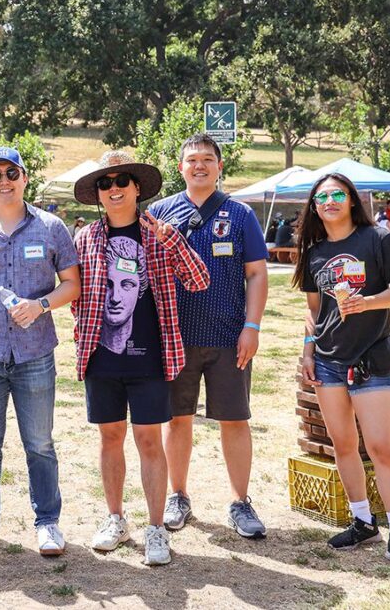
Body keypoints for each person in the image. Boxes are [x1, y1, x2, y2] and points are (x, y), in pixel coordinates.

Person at [69, 151, 209, 566]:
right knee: (109, 438)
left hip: (151, 357)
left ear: (136, 189)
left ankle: (155, 529)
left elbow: (198, 281)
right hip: (101, 358)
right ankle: (115, 519)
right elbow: (76, 293)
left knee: (149, 440)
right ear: (98, 194)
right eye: (105, 184)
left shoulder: (160, 234)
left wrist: (171, 240)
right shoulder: (87, 239)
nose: (114, 189)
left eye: (121, 181)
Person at [0, 146, 81, 557]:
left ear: (24, 178)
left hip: (34, 353)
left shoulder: (52, 228)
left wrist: (40, 305)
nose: (4, 180)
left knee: (40, 443)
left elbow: (72, 284)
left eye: (11, 172)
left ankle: (48, 524)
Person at [295, 173, 390, 574]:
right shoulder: (314, 251)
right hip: (328, 362)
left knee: (381, 447)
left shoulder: (378, 239)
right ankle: (363, 521)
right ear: (315, 206)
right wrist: (307, 350)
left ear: (352, 200)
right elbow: (314, 310)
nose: (330, 201)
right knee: (343, 444)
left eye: (338, 194)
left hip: (370, 360)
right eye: (322, 197)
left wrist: (367, 302)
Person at [148, 133, 269, 539]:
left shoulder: (240, 214)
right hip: (176, 338)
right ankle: (177, 495)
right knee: (176, 419)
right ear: (180, 168)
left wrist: (251, 327)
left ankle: (240, 502)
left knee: (234, 420)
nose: (199, 165)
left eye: (207, 159)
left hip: (228, 336)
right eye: (191, 160)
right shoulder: (160, 213)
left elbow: (256, 273)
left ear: (220, 166)